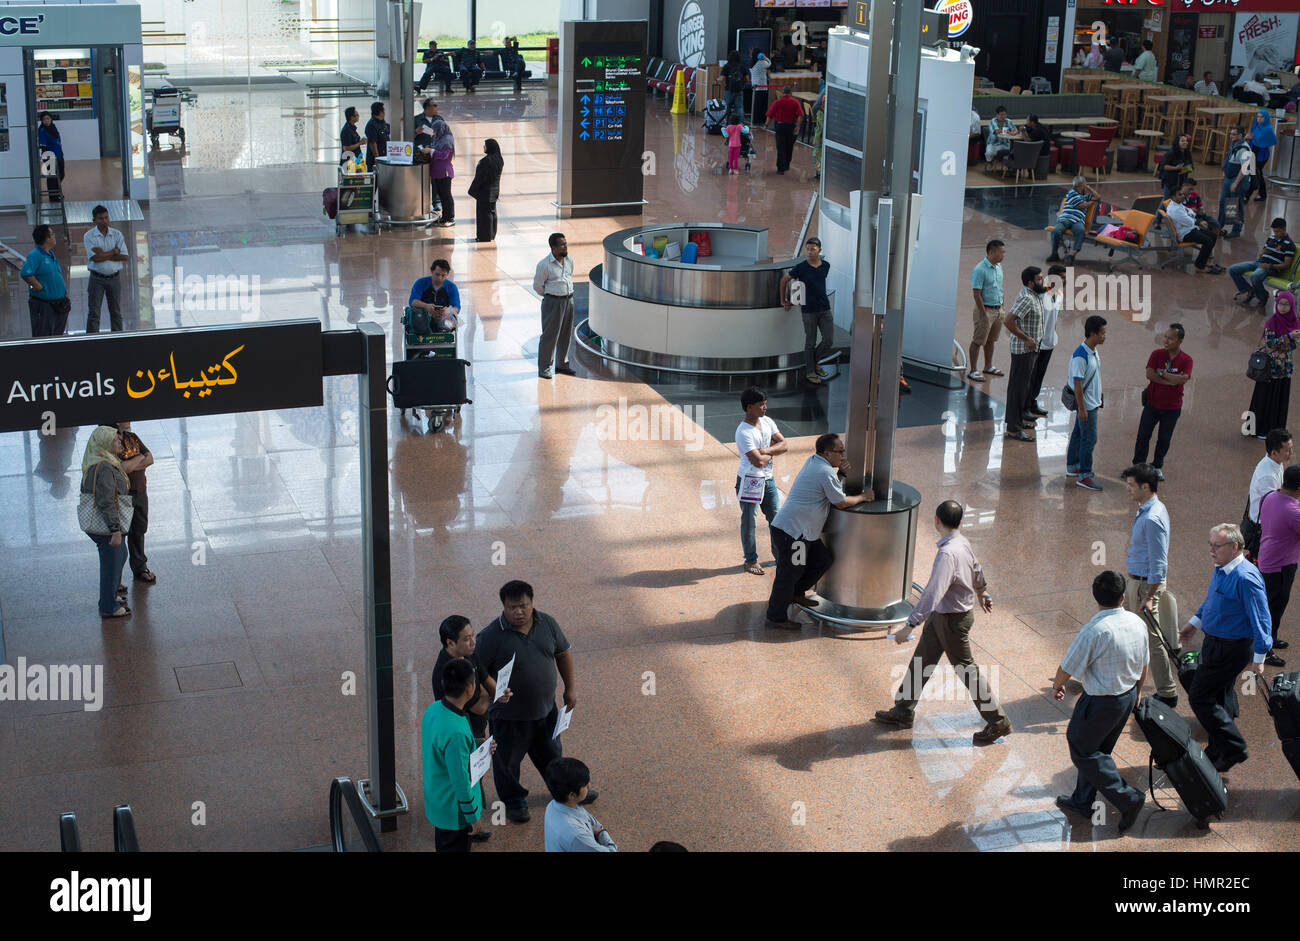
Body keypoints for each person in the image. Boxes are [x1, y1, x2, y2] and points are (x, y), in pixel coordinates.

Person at [874, 500, 1010, 744]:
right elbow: (977, 569)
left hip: (952, 621)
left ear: (937, 520)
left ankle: (998, 722)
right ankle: (903, 710)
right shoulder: (961, 542)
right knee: (922, 661)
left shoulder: (948, 553)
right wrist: (982, 591)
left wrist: (910, 624)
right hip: (943, 615)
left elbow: (933, 591)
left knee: (967, 671)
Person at [475, 580, 590, 823]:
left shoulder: (547, 623)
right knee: (507, 763)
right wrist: (489, 697)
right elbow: (477, 669)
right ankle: (514, 801)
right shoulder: (490, 636)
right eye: (512, 607)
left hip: (545, 711)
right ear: (503, 607)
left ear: (532, 603)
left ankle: (565, 791)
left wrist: (570, 688)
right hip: (508, 717)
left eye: (523, 606)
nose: (519, 611)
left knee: (553, 755)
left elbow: (563, 653)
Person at [1052, 571, 1149, 832]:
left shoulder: (1095, 630)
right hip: (1126, 697)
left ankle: (1129, 799)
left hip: (1101, 703)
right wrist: (1138, 692)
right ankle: (1083, 801)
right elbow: (1144, 662)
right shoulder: (1136, 622)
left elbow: (1067, 666)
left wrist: (1057, 685)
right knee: (1098, 751)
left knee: (1081, 746)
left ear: (1096, 598)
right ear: (1122, 596)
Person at [1179, 524, 1271, 774]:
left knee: (1200, 696)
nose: (1211, 550)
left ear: (1234, 547)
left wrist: (1260, 656)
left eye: (1216, 546)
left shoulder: (1245, 577)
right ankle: (1219, 746)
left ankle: (1233, 746)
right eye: (1210, 544)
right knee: (1220, 695)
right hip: (1214, 642)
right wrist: (1193, 624)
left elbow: (1261, 618)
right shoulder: (1222, 568)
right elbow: (1212, 600)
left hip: (1230, 648)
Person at [764, 433, 873, 629]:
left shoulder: (816, 463)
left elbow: (830, 491)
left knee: (822, 559)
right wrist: (863, 497)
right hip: (794, 533)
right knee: (789, 573)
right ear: (827, 453)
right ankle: (776, 617)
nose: (843, 454)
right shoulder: (824, 470)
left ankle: (796, 594)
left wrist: (841, 474)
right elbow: (839, 502)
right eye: (840, 451)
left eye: (843, 450)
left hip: (803, 532)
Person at [1120, 464, 1178, 706]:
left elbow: (1159, 562)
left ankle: (1167, 691)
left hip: (1145, 586)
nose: (1128, 489)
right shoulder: (1148, 508)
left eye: (1131, 485)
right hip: (1140, 582)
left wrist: (1150, 595)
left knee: (1152, 640)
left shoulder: (1153, 518)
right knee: (1141, 637)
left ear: (1146, 486)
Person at [421, 658, 489, 851]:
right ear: (470, 687)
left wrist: (474, 746)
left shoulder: (434, 709)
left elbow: (440, 749)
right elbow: (460, 780)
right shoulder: (456, 731)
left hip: (438, 799)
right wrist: (473, 816)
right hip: (455, 812)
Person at [79, 426, 132, 619]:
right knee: (111, 562)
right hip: (107, 526)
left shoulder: (103, 461)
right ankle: (108, 606)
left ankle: (110, 597)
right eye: (116, 440)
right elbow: (106, 500)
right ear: (105, 444)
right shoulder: (105, 467)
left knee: (120, 555)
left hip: (108, 524)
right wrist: (115, 529)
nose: (120, 442)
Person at [735, 386, 786, 575]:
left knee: (777, 519)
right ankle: (750, 560)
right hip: (750, 481)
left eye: (765, 404)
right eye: (761, 405)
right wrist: (772, 450)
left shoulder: (767, 421)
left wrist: (765, 451)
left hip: (768, 480)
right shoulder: (743, 432)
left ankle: (780, 556)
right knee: (749, 522)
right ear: (749, 407)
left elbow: (784, 444)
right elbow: (757, 462)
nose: (765, 408)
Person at [1132, 324, 1192, 479]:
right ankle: (1138, 465)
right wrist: (1171, 381)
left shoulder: (1186, 360)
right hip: (1152, 403)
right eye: (1165, 337)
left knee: (1164, 438)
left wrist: (1163, 374)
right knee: (1143, 436)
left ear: (1180, 341)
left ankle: (1157, 466)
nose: (1166, 340)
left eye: (1170, 338)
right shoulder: (1157, 354)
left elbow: (1184, 379)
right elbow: (1150, 374)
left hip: (1172, 408)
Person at [432, 615, 500, 747]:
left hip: (476, 732)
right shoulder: (450, 671)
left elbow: (485, 678)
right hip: (463, 737)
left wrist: (498, 692)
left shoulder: (468, 653)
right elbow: (479, 708)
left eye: (472, 636)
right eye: (467, 639)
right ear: (450, 643)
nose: (473, 642)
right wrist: (486, 693)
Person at [1257, 463, 1300, 667]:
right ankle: (1264, 650)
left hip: (1267, 560)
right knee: (1273, 608)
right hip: (1281, 566)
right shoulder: (1293, 511)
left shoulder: (1271, 496)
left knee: (1270, 607)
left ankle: (1271, 638)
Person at [1002, 266, 1046, 443]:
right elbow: (1008, 321)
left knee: (1023, 388)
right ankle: (1013, 429)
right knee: (1017, 390)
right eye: (1039, 279)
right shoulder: (1027, 298)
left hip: (1031, 350)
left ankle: (1017, 421)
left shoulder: (1034, 295)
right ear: (1030, 282)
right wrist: (1026, 339)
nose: (1042, 282)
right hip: (1023, 351)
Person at [781, 237, 833, 385]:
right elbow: (784, 280)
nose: (809, 252)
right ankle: (810, 371)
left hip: (825, 309)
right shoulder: (801, 267)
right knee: (810, 342)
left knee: (828, 340)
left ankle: (815, 363)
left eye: (813, 250)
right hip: (808, 311)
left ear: (819, 251)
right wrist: (784, 300)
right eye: (808, 249)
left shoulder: (826, 266)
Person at [1248, 294, 1300, 436]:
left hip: (1285, 369)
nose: (1283, 307)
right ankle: (1258, 429)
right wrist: (1288, 337)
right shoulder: (1272, 322)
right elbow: (1270, 344)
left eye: (1286, 304)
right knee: (1265, 398)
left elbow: (1293, 346)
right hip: (1271, 369)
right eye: (1280, 304)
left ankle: (1275, 431)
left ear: (1292, 306)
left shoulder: (1294, 322)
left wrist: (1287, 341)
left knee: (1279, 400)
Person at [1068, 315, 1107, 491]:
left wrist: (1100, 395)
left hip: (1092, 401)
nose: (1104, 336)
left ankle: (1072, 466)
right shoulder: (1080, 356)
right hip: (1087, 405)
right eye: (1102, 333)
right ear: (1093, 333)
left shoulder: (1093, 351)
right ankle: (1084, 474)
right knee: (1089, 439)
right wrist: (1082, 409)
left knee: (1078, 434)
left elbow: (1094, 376)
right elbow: (1077, 384)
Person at [543, 758, 617, 852]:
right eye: (585, 785)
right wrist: (601, 833)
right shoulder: (577, 836)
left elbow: (590, 820)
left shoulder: (552, 806)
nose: (589, 786)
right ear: (572, 795)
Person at [1024, 263, 1067, 415]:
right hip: (1037, 343)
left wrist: (1053, 334)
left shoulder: (1060, 294)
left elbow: (1055, 316)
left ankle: (1032, 401)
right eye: (1061, 277)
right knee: (1030, 376)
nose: (1064, 280)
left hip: (1049, 342)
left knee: (1040, 375)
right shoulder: (1041, 295)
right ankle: (1024, 406)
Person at [116, 423, 156, 587]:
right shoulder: (111, 441)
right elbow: (122, 468)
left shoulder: (132, 437)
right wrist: (140, 459)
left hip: (139, 491)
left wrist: (134, 462)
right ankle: (115, 578)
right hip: (121, 494)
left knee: (139, 529)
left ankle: (140, 567)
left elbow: (150, 458)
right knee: (119, 535)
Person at [1245, 428, 1293, 559]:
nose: (1291, 453)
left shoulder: (1275, 462)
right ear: (1274, 452)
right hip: (1262, 528)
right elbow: (1272, 508)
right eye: (1287, 450)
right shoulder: (1268, 476)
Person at [533, 233, 575, 379]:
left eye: (566, 243)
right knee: (550, 336)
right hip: (553, 302)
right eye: (562, 244)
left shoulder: (569, 260)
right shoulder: (544, 265)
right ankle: (544, 368)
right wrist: (551, 296)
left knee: (566, 334)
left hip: (569, 300)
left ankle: (562, 364)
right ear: (553, 247)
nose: (565, 246)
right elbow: (538, 286)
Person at [1229, 217, 1294, 306]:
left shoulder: (1289, 244)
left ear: (1284, 229)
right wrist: (1262, 252)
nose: (1275, 234)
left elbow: (1286, 265)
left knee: (1254, 276)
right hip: (1259, 263)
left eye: (1278, 231)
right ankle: (1250, 290)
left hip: (1272, 268)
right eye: (1274, 231)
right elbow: (1266, 249)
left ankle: (1263, 296)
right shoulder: (1271, 237)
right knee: (1233, 269)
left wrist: (1270, 266)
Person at [84, 205, 127, 334]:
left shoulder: (117, 234)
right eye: (101, 218)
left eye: (106, 217)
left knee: (116, 312)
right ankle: (92, 341)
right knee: (94, 313)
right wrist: (114, 252)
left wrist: (103, 254)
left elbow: (124, 256)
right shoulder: (89, 236)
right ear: (94, 220)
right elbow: (95, 259)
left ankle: (118, 338)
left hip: (114, 278)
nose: (105, 221)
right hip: (96, 279)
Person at [967, 239, 1006, 383]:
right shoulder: (980, 270)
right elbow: (976, 293)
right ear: (992, 252)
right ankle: (973, 370)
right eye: (1001, 252)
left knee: (991, 340)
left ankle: (988, 366)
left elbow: (1000, 287)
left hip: (998, 309)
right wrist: (983, 312)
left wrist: (1002, 306)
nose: (1003, 255)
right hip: (985, 310)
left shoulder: (999, 267)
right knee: (978, 340)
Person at [20, 225, 68, 337]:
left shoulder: (50, 253)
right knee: (44, 336)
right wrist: (37, 286)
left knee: (57, 337)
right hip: (44, 305)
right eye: (52, 235)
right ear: (46, 238)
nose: (54, 237)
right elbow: (25, 273)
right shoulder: (35, 255)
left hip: (59, 304)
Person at [1165, 185, 1221, 273]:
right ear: (1173, 197)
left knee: (1213, 236)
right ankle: (1199, 266)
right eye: (1180, 195)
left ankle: (1203, 261)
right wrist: (1194, 219)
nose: (1183, 196)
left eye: (1182, 194)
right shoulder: (1175, 210)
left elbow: (1190, 212)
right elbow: (1190, 221)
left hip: (1189, 229)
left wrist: (1191, 216)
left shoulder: (1177, 204)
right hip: (1185, 233)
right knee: (1208, 241)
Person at [408, 259, 461, 346]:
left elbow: (456, 307)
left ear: (447, 274)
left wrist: (446, 311)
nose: (440, 278)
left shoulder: (451, 287)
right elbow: (413, 302)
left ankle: (443, 340)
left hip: (443, 317)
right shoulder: (420, 283)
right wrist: (426, 306)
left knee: (450, 319)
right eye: (437, 274)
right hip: (423, 317)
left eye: (443, 275)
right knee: (418, 316)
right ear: (432, 271)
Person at [1047, 176, 1098, 265]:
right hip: (1065, 219)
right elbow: (1082, 205)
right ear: (1081, 185)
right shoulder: (1072, 193)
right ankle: (1054, 254)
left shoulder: (1085, 196)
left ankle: (1072, 255)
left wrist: (1089, 188)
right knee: (1056, 231)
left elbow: (1098, 197)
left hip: (1078, 221)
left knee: (1081, 231)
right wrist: (1092, 202)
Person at [1218, 125, 1256, 239]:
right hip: (1230, 177)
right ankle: (1218, 226)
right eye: (1230, 134)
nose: (1231, 136)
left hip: (1238, 179)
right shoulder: (1234, 144)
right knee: (1223, 203)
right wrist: (1225, 170)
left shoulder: (1244, 148)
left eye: (1233, 134)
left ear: (1240, 136)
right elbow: (1229, 158)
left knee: (1234, 204)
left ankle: (1236, 230)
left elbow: (1244, 168)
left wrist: (1236, 183)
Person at [468, 138, 503, 242]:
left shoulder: (485, 161)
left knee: (484, 215)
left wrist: (472, 190)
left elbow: (479, 178)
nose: (484, 147)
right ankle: (492, 234)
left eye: (485, 145)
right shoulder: (499, 159)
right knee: (492, 213)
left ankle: (484, 236)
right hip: (495, 191)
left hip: (484, 192)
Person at [764, 85, 802, 175]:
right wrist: (798, 126)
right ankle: (787, 165)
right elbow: (800, 115)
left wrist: (766, 125)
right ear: (791, 93)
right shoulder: (795, 102)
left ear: (783, 92)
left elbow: (770, 115)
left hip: (780, 126)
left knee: (781, 147)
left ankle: (780, 169)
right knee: (789, 146)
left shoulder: (778, 102)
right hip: (791, 126)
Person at [1248, 109, 1278, 202]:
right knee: (1255, 174)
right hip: (1254, 152)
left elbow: (1266, 142)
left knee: (1256, 173)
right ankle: (1262, 194)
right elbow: (1252, 136)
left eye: (1262, 117)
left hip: (1261, 155)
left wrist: (1253, 138)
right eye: (1258, 116)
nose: (1259, 119)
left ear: (1266, 118)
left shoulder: (1268, 129)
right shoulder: (1257, 126)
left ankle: (1248, 194)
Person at [37, 112, 64, 201]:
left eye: (48, 119)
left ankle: (57, 192)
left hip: (59, 154)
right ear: (42, 121)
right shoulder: (42, 131)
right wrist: (45, 159)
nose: (46, 121)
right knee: (52, 177)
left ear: (51, 119)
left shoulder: (53, 128)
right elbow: (43, 146)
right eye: (44, 119)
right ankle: (53, 197)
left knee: (61, 174)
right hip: (49, 156)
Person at [1157, 134, 1194, 199]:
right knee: (1167, 201)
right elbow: (1164, 166)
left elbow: (1191, 165)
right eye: (1182, 141)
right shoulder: (1171, 153)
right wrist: (1176, 168)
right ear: (1177, 142)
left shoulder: (1187, 153)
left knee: (1180, 200)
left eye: (1186, 141)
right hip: (1170, 181)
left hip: (1182, 181)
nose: (1185, 143)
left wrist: (1189, 169)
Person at [720, 51, 746, 125]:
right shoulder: (742, 66)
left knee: (727, 107)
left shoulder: (727, 66)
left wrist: (717, 80)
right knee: (739, 108)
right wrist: (743, 85)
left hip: (729, 89)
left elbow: (722, 78)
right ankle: (741, 124)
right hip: (739, 89)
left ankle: (726, 124)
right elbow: (747, 78)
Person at [364, 102, 390, 172]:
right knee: (376, 180)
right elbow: (373, 143)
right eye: (383, 111)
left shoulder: (382, 122)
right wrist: (377, 158)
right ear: (380, 112)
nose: (384, 113)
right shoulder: (371, 125)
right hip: (375, 160)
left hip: (384, 157)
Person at [749, 51, 771, 124]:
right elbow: (769, 64)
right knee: (762, 105)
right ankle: (762, 120)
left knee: (755, 104)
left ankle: (755, 120)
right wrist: (766, 58)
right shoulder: (762, 63)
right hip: (762, 86)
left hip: (755, 86)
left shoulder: (752, 64)